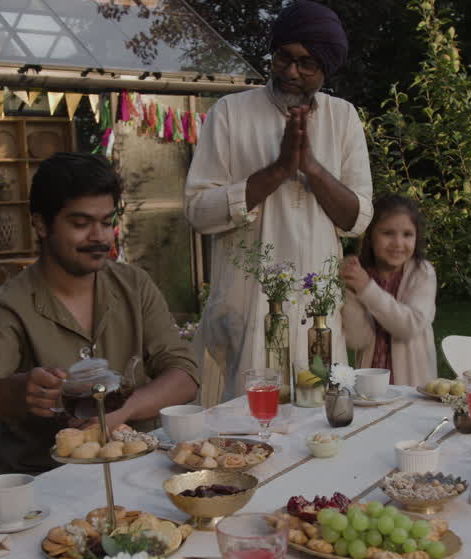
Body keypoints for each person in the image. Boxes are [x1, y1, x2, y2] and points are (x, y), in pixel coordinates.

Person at [0, 152, 198, 474]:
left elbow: (184, 372)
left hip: (137, 469)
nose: (99, 236)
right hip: (46, 485)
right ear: (41, 224)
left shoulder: (133, 284)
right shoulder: (7, 308)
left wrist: (125, 409)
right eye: (81, 224)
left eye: (107, 222)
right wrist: (15, 391)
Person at [185, 0, 374, 403]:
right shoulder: (229, 114)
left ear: (326, 68)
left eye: (306, 63)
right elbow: (199, 211)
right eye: (283, 58)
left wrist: (312, 169)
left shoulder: (343, 118)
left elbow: (357, 219)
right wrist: (277, 170)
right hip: (248, 311)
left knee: (318, 428)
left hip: (317, 315)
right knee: (245, 436)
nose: (291, 72)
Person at [340, 195, 437, 387]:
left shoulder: (422, 273)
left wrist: (367, 289)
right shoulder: (361, 274)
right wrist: (351, 289)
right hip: (370, 386)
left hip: (413, 389)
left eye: (407, 234)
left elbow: (409, 326)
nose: (398, 243)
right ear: (370, 236)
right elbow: (357, 340)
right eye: (388, 233)